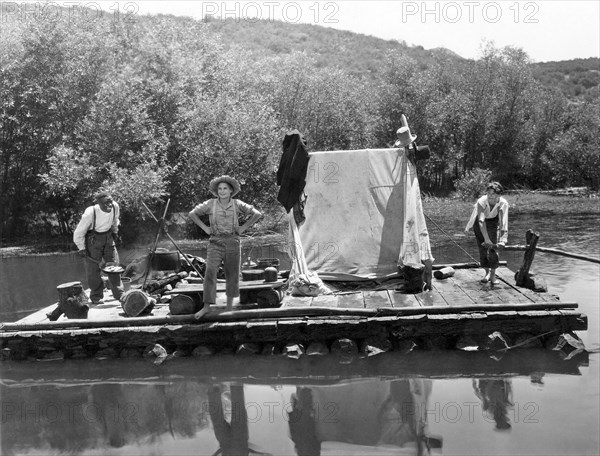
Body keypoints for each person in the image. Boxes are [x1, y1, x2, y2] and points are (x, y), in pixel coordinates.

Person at [188, 175, 262, 318]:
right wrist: (205, 228)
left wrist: (243, 228)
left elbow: (256, 214)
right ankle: (207, 306)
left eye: (225, 188)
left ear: (230, 191)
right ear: (217, 191)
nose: (222, 191)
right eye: (220, 189)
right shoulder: (210, 204)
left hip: (233, 242)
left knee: (232, 275)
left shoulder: (237, 204)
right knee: (210, 272)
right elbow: (192, 214)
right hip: (215, 242)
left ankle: (229, 307)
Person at [73, 190, 123, 304]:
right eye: (106, 203)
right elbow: (78, 232)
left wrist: (115, 232)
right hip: (93, 240)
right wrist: (82, 248)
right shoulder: (90, 212)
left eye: (110, 201)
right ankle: (96, 297)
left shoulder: (115, 206)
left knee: (114, 265)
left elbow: (115, 221)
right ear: (99, 203)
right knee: (93, 269)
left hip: (108, 236)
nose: (109, 205)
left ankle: (119, 294)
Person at [464, 181, 509, 285]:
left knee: (493, 249)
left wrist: (503, 239)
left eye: (493, 194)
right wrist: (486, 239)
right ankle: (486, 273)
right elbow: (481, 221)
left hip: (493, 222)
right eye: (488, 193)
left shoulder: (503, 203)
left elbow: (504, 222)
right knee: (483, 248)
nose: (490, 196)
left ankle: (493, 275)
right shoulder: (482, 201)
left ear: (499, 195)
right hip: (479, 224)